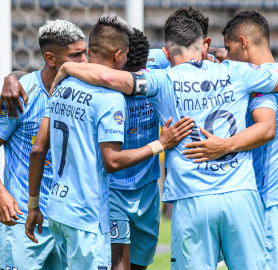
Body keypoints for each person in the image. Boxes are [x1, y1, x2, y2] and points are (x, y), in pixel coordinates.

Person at [48, 18, 278, 269]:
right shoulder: (239, 72)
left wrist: (70, 66)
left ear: (166, 54)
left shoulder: (162, 79)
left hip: (191, 199)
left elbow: (111, 77)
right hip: (240, 195)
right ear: (204, 46)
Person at [25, 13, 194, 270]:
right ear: (118, 56)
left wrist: (33, 204)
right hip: (95, 205)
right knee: (118, 264)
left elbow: (39, 148)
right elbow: (112, 161)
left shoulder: (63, 84)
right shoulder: (108, 96)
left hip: (64, 206)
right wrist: (161, 144)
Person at [180, 11, 278, 270]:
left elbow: (267, 129)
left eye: (229, 48)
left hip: (277, 199)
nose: (226, 56)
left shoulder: (265, 83)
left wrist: (224, 146)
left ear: (243, 43)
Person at [0, 19, 87, 270]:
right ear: (51, 58)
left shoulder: (84, 91)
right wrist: (0, 193)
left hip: (68, 218)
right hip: (23, 218)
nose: (85, 61)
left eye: (85, 52)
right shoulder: (21, 94)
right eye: (76, 55)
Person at [109, 28, 160, 270]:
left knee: (140, 264)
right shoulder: (102, 82)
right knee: (118, 261)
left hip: (148, 187)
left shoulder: (158, 71)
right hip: (112, 188)